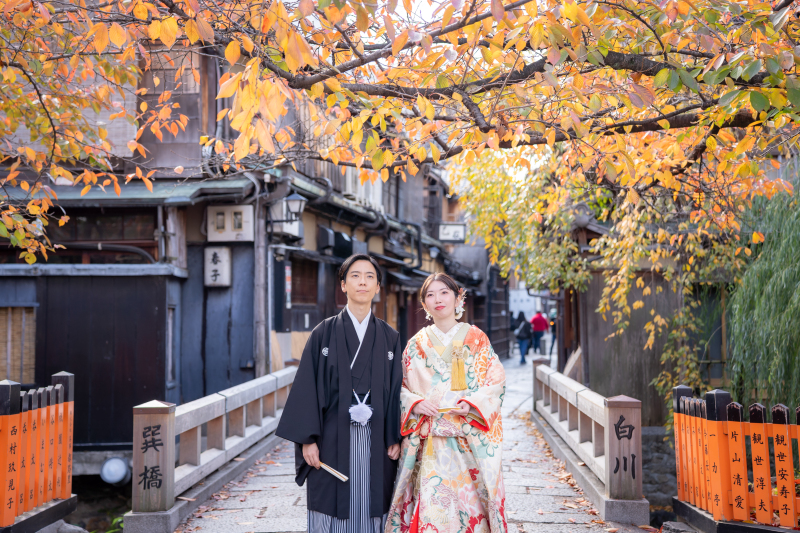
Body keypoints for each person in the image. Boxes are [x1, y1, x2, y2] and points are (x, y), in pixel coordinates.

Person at [277, 254, 403, 533]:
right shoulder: (323, 333)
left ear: (378, 287)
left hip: (377, 437)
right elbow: (306, 387)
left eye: (370, 277)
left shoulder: (390, 337)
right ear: (343, 285)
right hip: (332, 437)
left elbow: (397, 391)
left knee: (374, 503)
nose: (363, 282)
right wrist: (307, 440)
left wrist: (395, 435)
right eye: (355, 276)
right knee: (333, 504)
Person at [386, 273, 507, 533]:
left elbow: (495, 381)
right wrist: (415, 403)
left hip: (467, 441)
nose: (437, 299)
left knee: (471, 511)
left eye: (444, 292)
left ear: (457, 298)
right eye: (430, 295)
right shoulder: (416, 344)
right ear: (424, 304)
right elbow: (400, 387)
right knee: (434, 510)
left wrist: (473, 404)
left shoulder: (476, 338)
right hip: (429, 443)